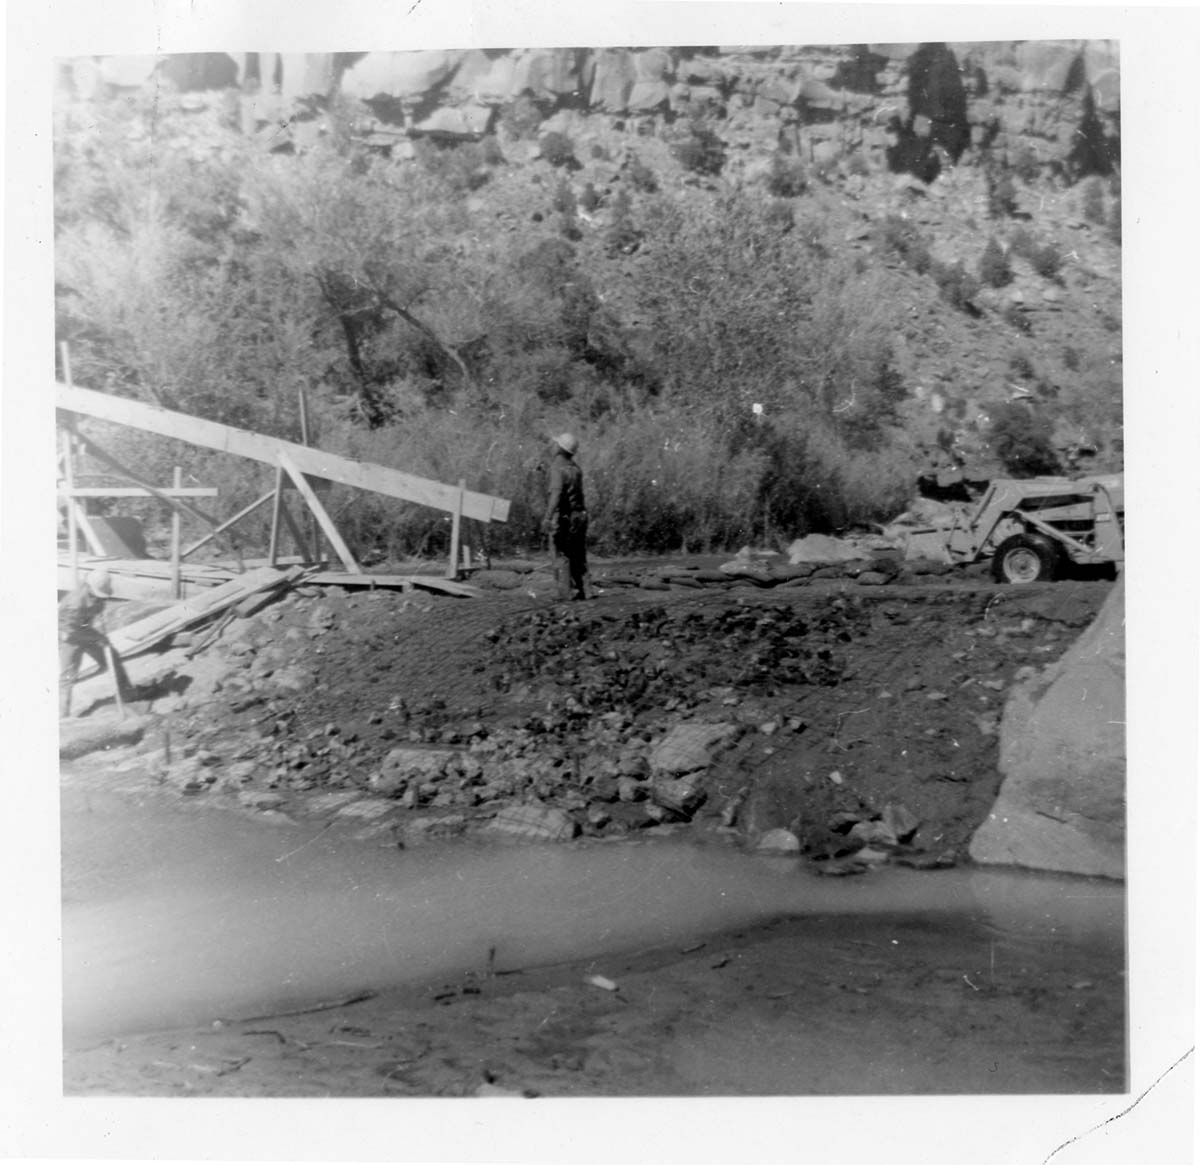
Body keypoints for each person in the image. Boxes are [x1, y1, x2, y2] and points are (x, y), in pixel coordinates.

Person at [59, 568, 115, 718]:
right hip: (70, 637)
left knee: (112, 657)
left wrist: (99, 612)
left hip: (84, 630)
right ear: (88, 586)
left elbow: (97, 608)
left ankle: (128, 693)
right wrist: (97, 637)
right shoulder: (74, 603)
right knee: (67, 678)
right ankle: (62, 716)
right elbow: (72, 630)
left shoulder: (96, 594)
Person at [542, 432, 589, 601]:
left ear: (559, 449)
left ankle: (566, 594)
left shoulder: (557, 467)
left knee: (560, 555)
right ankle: (584, 592)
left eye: (556, 445)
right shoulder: (576, 468)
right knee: (577, 555)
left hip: (565, 518)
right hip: (580, 516)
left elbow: (556, 495)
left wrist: (547, 518)